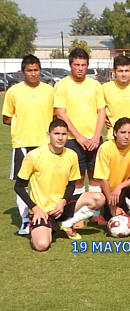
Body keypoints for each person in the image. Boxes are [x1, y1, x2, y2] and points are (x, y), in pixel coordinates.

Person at [14, 119, 106, 251]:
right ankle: (43, 227)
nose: (60, 138)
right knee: (41, 245)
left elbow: (71, 184)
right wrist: (36, 209)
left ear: (68, 136)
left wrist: (63, 202)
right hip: (42, 211)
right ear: (48, 135)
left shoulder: (71, 155)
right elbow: (18, 187)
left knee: (99, 198)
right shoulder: (34, 156)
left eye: (63, 134)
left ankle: (66, 224)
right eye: (56, 134)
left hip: (61, 207)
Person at [53, 48, 107, 224]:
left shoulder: (95, 85)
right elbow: (61, 113)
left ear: (87, 65)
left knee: (96, 176)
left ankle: (96, 215)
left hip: (94, 139)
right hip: (73, 140)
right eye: (77, 64)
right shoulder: (62, 85)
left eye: (83, 65)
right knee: (77, 178)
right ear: (71, 65)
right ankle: (77, 216)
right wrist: (78, 137)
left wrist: (97, 136)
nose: (80, 68)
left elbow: (101, 111)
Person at [2, 55, 54, 235]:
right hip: (23, 143)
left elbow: (56, 115)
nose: (33, 74)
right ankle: (25, 220)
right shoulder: (13, 92)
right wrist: (24, 123)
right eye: (29, 70)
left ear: (40, 70)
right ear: (23, 72)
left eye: (36, 70)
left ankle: (47, 217)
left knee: (46, 183)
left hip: (46, 144)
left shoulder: (49, 90)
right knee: (22, 184)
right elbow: (6, 118)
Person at [93, 117, 130, 240]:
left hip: (127, 187)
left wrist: (121, 186)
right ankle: (125, 209)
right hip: (111, 191)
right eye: (123, 132)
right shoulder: (106, 148)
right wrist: (112, 207)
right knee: (112, 216)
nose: (126, 136)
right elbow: (103, 179)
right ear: (115, 133)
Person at [102, 55, 130, 143]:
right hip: (114, 137)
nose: (124, 74)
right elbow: (96, 108)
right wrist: (104, 118)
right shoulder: (105, 88)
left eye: (126, 71)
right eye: (120, 71)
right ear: (114, 71)